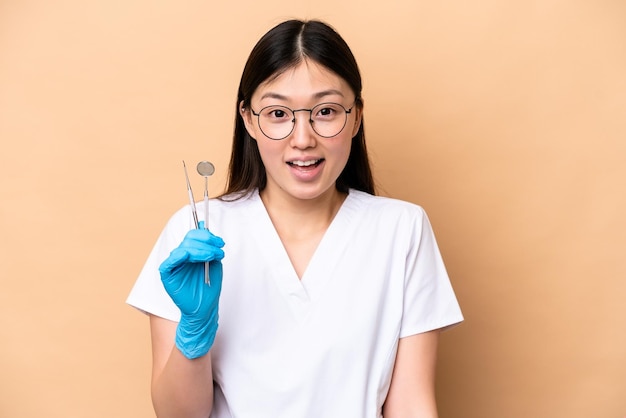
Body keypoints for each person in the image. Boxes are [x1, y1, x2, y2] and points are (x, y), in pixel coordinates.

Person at [127, 19, 463, 418]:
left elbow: (411, 406)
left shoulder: (401, 230)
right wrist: (193, 334)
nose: (302, 138)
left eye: (325, 111)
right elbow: (179, 416)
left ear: (356, 117)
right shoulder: (195, 231)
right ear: (249, 119)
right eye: (277, 113)